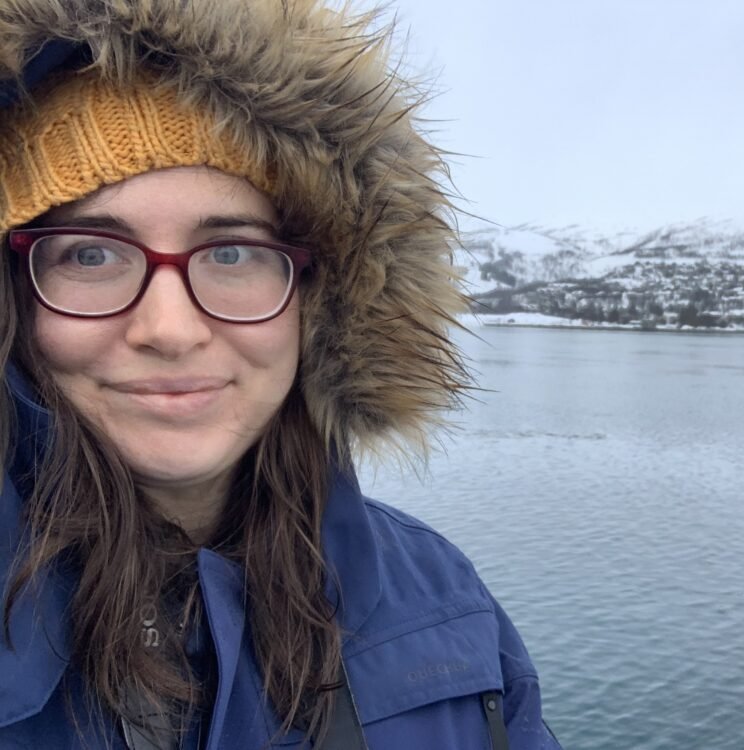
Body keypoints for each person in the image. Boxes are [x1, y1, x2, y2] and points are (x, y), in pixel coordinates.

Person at [0, 1, 562, 748]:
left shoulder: (440, 598)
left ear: (317, 301)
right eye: (91, 255)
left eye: (232, 254)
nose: (169, 329)